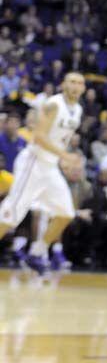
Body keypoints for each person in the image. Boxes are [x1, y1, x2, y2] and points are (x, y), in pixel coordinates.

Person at [0, 72, 85, 273]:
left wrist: (62, 162)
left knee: (66, 213)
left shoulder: (78, 110)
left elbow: (60, 139)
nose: (75, 86)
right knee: (11, 214)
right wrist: (66, 156)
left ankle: (37, 253)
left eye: (80, 83)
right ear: (63, 84)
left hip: (50, 167)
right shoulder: (53, 105)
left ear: (83, 88)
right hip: (33, 164)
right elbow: (38, 137)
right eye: (72, 81)